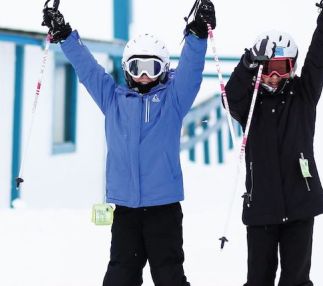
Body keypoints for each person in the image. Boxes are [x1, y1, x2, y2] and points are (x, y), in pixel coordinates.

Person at [42, 1, 215, 285]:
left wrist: (197, 36)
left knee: (169, 275)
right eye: (137, 67)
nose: (144, 75)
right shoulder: (113, 100)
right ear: (126, 68)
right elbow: (88, 71)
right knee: (120, 276)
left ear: (163, 69)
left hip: (163, 209)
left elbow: (191, 72)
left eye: (151, 67)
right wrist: (65, 35)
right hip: (126, 211)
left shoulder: (172, 101)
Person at [225, 2, 323, 286]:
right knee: (259, 278)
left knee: (296, 279)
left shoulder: (303, 96)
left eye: (282, 68)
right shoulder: (250, 104)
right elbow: (230, 98)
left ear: (292, 67)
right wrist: (246, 63)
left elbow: (318, 59)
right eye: (267, 68)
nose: (274, 75)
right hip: (261, 209)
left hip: (299, 204)